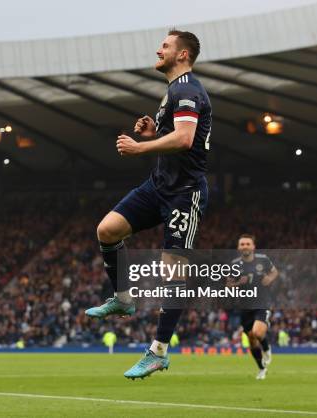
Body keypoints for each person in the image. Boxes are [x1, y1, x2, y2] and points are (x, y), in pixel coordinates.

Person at [84, 29, 212, 379]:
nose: (159, 49)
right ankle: (123, 298)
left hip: (184, 193)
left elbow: (186, 139)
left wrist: (140, 147)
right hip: (158, 185)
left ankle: (158, 351)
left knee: (174, 270)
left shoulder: (187, 88)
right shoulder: (174, 91)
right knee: (107, 230)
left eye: (166, 46)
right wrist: (153, 133)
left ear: (183, 55)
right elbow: (181, 135)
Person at [228, 234, 278, 380]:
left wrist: (269, 278)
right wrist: (239, 283)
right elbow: (228, 284)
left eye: (247, 244)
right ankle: (262, 368)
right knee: (251, 339)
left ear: (253, 246)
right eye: (242, 244)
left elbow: (274, 272)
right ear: (238, 247)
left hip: (262, 303)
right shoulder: (234, 265)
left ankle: (267, 348)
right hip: (244, 307)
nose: (245, 246)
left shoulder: (263, 259)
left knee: (257, 332)